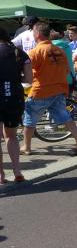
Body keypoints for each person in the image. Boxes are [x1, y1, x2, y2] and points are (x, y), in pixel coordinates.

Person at [22, 22, 77, 155]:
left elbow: (27, 72)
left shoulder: (35, 52)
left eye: (33, 32)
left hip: (40, 90)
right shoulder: (60, 51)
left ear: (38, 34)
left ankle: (26, 147)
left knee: (29, 119)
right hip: (58, 89)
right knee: (65, 117)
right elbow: (66, 70)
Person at [0, 28, 30, 183]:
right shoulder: (19, 53)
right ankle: (17, 171)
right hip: (14, 97)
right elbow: (29, 79)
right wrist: (14, 78)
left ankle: (1, 175)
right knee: (11, 136)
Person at [50, 30, 76, 98]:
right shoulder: (68, 46)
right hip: (70, 77)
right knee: (68, 99)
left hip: (57, 80)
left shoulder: (50, 48)